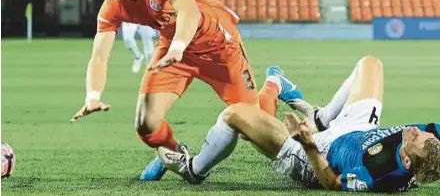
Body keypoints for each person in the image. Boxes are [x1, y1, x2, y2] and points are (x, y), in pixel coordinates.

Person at [69, 0, 285, 182]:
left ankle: (274, 84)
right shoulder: (112, 6)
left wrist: (178, 46)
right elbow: (98, 56)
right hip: (173, 51)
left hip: (219, 49)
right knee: (146, 124)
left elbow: (188, 11)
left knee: (252, 127)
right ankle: (174, 155)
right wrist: (93, 95)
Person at [158, 56, 440, 192]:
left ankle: (194, 169)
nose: (417, 130)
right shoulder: (429, 149)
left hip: (320, 156)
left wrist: (309, 145)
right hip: (358, 128)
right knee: (371, 63)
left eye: (417, 138)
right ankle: (320, 117)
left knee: (236, 114)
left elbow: (332, 183)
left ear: (404, 159)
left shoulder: (380, 172)